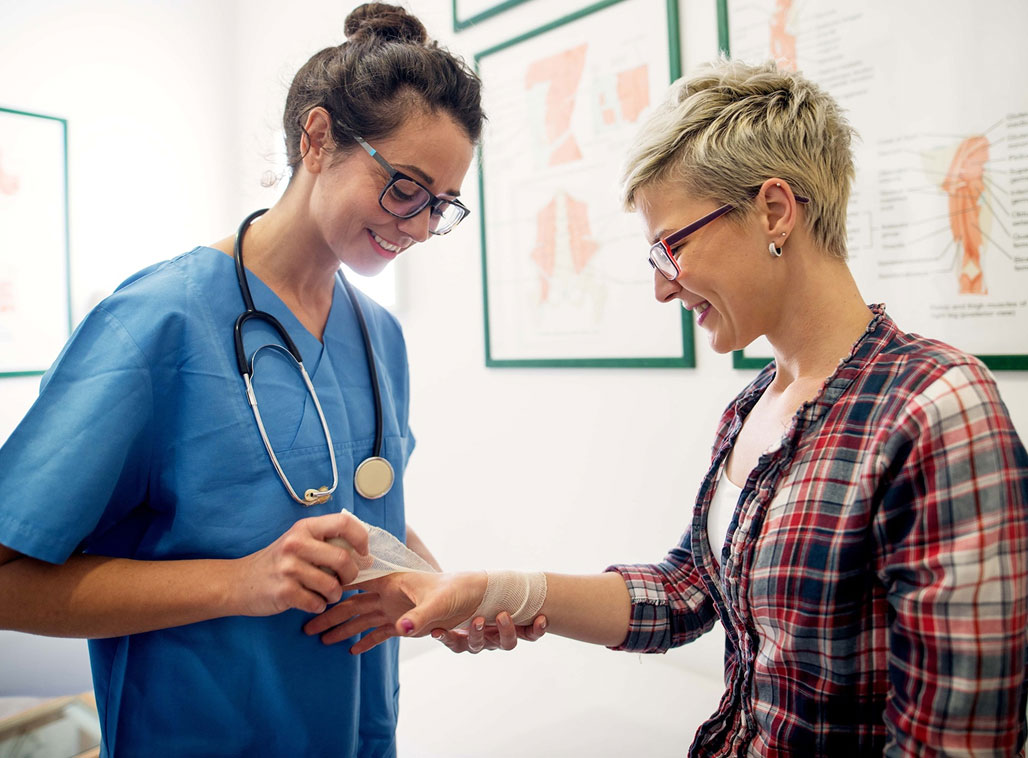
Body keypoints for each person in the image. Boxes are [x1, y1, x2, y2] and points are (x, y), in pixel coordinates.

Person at [306, 59, 1028, 755]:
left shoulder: (934, 409)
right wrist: (493, 590)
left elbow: (956, 740)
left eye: (670, 248)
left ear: (774, 209)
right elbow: (684, 594)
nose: (662, 288)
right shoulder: (754, 407)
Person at [0, 4, 541, 756]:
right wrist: (241, 581)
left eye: (441, 206)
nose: (418, 227)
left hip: (357, 730)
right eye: (405, 188)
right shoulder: (156, 322)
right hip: (200, 731)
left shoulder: (377, 334)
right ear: (317, 139)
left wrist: (432, 593)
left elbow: (365, 508)